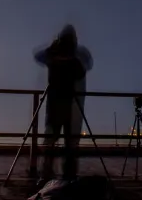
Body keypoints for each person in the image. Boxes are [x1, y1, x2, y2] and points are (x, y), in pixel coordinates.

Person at [34, 25, 93, 181]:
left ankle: (68, 176)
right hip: (55, 104)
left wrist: (67, 57)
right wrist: (53, 51)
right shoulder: (53, 53)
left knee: (71, 144)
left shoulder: (79, 55)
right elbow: (39, 56)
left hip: (72, 105)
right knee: (50, 140)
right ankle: (46, 174)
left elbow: (87, 64)